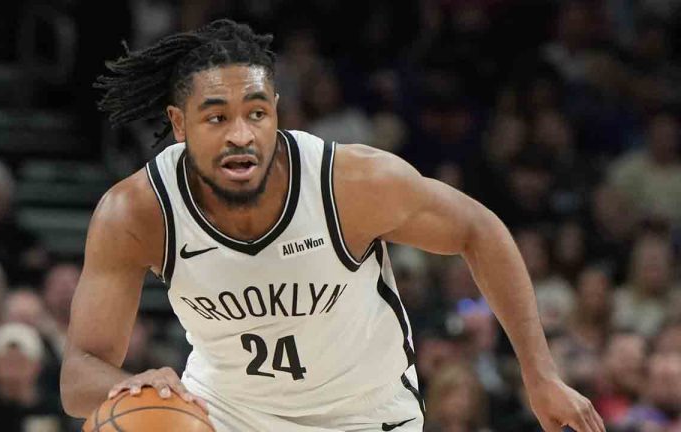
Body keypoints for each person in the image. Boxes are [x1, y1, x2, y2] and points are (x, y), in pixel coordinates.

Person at [61, 19, 605, 432]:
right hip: (225, 413)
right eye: (216, 117)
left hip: (366, 415)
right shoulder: (136, 212)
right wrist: (127, 385)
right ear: (178, 124)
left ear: (277, 110)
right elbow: (79, 374)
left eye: (256, 113)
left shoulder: (350, 183)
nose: (241, 136)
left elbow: (479, 230)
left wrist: (540, 376)